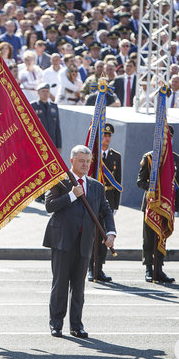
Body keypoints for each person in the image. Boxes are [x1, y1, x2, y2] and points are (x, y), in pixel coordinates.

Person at [43, 145, 116, 338]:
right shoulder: (60, 181)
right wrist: (71, 195)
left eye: (87, 161)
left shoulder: (96, 186)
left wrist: (110, 233)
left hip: (85, 242)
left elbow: (105, 211)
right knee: (60, 285)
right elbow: (49, 206)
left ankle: (76, 325)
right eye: (81, 161)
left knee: (79, 286)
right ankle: (56, 324)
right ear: (72, 161)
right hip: (63, 240)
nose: (85, 164)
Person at [137, 126, 179, 283]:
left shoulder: (175, 159)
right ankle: (149, 268)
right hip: (151, 204)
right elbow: (140, 182)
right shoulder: (149, 157)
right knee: (149, 238)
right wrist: (154, 189)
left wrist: (176, 207)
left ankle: (159, 268)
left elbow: (176, 185)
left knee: (162, 236)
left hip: (167, 205)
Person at [88, 123, 121, 283]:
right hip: (93, 200)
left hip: (108, 201)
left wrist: (115, 205)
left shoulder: (116, 157)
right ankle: (90, 268)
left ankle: (99, 268)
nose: (106, 138)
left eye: (108, 136)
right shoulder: (93, 155)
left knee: (104, 238)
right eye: (104, 135)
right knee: (91, 237)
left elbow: (117, 183)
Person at [30, 83, 62, 151]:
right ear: (38, 92)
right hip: (38, 142)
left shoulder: (53, 106)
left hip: (52, 142)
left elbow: (57, 127)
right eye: (43, 91)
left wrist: (59, 145)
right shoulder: (33, 106)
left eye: (47, 91)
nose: (45, 93)